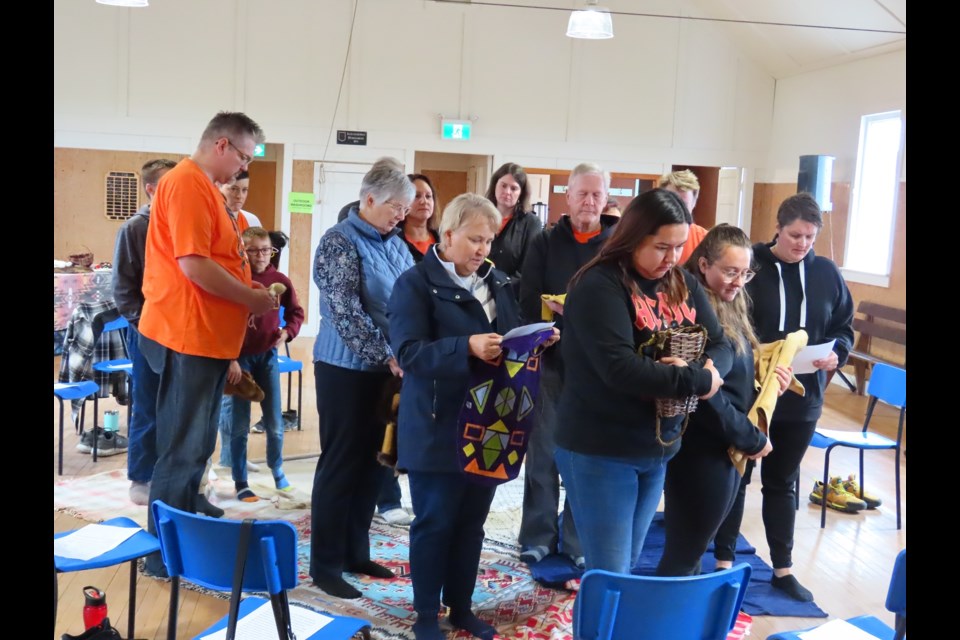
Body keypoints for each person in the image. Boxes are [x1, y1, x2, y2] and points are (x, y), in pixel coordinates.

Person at [388, 193, 560, 640]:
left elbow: (509, 338)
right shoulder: (414, 284)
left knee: (470, 525)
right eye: (475, 239)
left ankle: (461, 609)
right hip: (435, 423)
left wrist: (534, 341)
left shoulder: (498, 282)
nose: (483, 249)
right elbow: (408, 353)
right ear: (447, 235)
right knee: (434, 523)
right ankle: (426, 616)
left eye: (489, 240)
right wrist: (465, 347)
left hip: (489, 424)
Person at [553, 188, 726, 575]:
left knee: (626, 566)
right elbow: (622, 370)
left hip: (658, 446)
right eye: (662, 247)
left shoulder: (681, 282)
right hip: (600, 448)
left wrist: (712, 373)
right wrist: (699, 379)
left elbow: (723, 343)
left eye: (679, 247)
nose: (672, 258)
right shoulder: (599, 285)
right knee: (610, 572)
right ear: (633, 238)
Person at [138, 111, 277, 576]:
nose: (243, 168)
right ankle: (163, 554)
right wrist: (253, 299)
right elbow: (194, 265)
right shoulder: (186, 184)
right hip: (186, 333)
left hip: (208, 337)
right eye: (243, 157)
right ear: (221, 145)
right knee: (181, 447)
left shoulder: (207, 190)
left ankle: (186, 527)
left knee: (198, 444)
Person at [712, 192, 854, 601]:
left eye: (810, 237)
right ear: (778, 228)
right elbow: (727, 320)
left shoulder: (826, 273)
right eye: (795, 235)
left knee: (783, 482)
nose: (802, 244)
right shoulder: (751, 264)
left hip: (803, 396)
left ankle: (783, 569)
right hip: (752, 394)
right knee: (737, 478)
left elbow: (844, 327)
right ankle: (723, 561)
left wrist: (836, 354)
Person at [310, 160, 415, 599]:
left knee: (374, 466)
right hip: (345, 370)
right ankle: (325, 564)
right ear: (369, 198)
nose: (401, 215)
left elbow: (411, 295)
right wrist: (387, 354)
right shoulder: (339, 241)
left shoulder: (396, 243)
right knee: (341, 464)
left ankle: (356, 551)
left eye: (406, 209)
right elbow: (343, 310)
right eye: (396, 206)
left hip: (386, 370)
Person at [656, 224, 785, 577]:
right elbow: (703, 395)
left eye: (745, 272)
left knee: (693, 552)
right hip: (702, 446)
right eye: (730, 271)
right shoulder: (694, 313)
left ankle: (686, 624)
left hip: (725, 444)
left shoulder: (733, 304)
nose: (738, 281)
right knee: (684, 553)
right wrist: (749, 436)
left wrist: (769, 385)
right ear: (703, 266)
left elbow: (735, 381)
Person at [517, 162, 619, 571]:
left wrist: (575, 312)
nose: (589, 202)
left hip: (597, 371)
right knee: (542, 455)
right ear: (568, 196)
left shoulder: (615, 248)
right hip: (550, 361)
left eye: (597, 195)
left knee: (585, 459)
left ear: (605, 199)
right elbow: (527, 297)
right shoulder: (544, 242)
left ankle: (577, 539)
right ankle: (537, 535)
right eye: (582, 194)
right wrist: (546, 326)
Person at [111, 158, 177, 506]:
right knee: (148, 405)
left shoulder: (180, 223)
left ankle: (175, 473)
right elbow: (122, 289)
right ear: (152, 189)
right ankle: (141, 476)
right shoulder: (134, 229)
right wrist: (145, 325)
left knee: (180, 407)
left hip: (182, 332)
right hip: (148, 332)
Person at [376, 173, 440, 527]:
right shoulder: (393, 240)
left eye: (429, 195)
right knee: (393, 421)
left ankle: (421, 491)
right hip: (400, 341)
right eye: (415, 196)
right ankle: (388, 498)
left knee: (422, 424)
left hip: (433, 342)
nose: (423, 202)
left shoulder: (442, 242)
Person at [222, 227, 304, 502]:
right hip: (239, 359)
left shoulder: (279, 279)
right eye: (254, 250)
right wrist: (230, 359)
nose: (261, 255)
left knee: (274, 421)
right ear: (243, 251)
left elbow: (296, 313)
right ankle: (240, 480)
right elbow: (219, 321)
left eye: (266, 250)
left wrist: (287, 332)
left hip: (268, 355)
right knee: (239, 424)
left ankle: (278, 470)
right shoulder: (234, 279)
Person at [485, 162, 542, 292]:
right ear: (495, 186)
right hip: (478, 291)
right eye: (503, 185)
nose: (507, 192)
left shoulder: (531, 223)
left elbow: (529, 268)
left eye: (514, 188)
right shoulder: (480, 217)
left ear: (521, 193)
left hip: (511, 295)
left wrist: (500, 286)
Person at [659, 169, 707, 264]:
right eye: (672, 202)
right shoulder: (646, 234)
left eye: (683, 204)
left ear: (694, 203)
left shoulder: (704, 240)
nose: (677, 209)